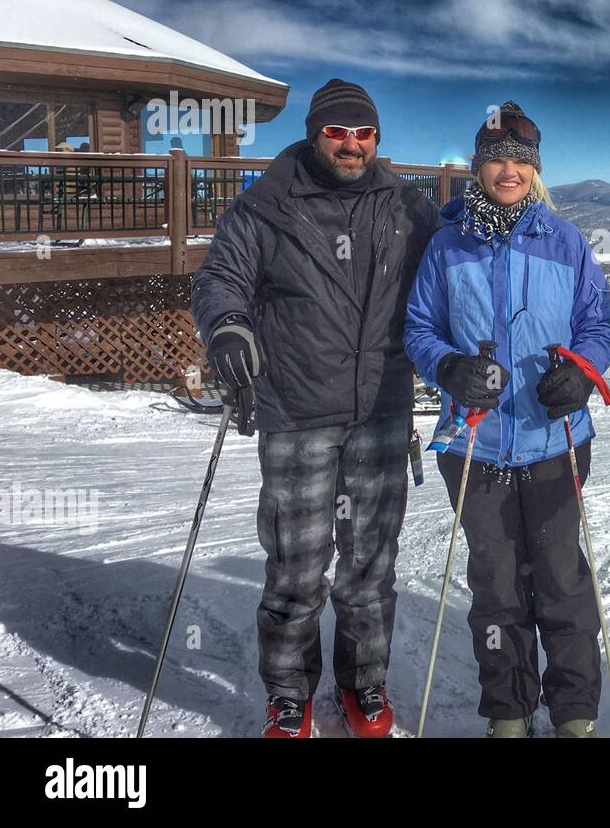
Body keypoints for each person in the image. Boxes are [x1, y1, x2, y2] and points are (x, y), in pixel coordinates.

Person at [192, 79, 440, 738]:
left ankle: (363, 681)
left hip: (381, 410)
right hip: (297, 411)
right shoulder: (269, 204)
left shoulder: (407, 208)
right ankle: (288, 692)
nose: (351, 143)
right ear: (314, 134)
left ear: (377, 139)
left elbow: (455, 275)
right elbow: (222, 277)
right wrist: (229, 329)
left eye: (363, 132)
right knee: (297, 567)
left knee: (370, 566)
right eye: (337, 131)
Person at [404, 101, 610, 738]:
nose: (508, 171)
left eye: (520, 162)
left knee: (561, 581)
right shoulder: (446, 247)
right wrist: (447, 368)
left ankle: (574, 712)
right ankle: (509, 711)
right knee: (497, 588)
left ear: (535, 171)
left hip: (556, 441)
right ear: (477, 168)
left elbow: (598, 322)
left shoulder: (565, 240)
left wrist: (582, 372)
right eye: (496, 160)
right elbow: (419, 326)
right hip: (475, 443)